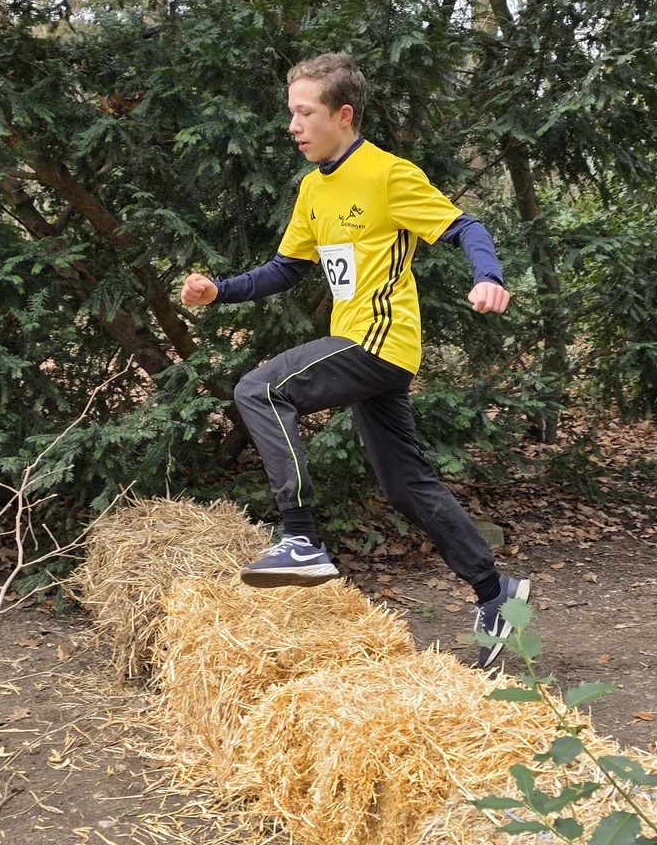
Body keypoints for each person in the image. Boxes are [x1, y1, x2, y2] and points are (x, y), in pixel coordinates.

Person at [180, 52, 529, 668]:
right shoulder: (313, 188)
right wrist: (220, 290)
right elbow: (286, 268)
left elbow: (465, 227)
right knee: (405, 483)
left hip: (380, 343)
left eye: (305, 113)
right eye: (291, 113)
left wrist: (488, 277)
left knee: (261, 389)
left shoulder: (387, 175)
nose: (293, 126)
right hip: (356, 343)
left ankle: (301, 538)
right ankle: (494, 590)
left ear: (343, 115)